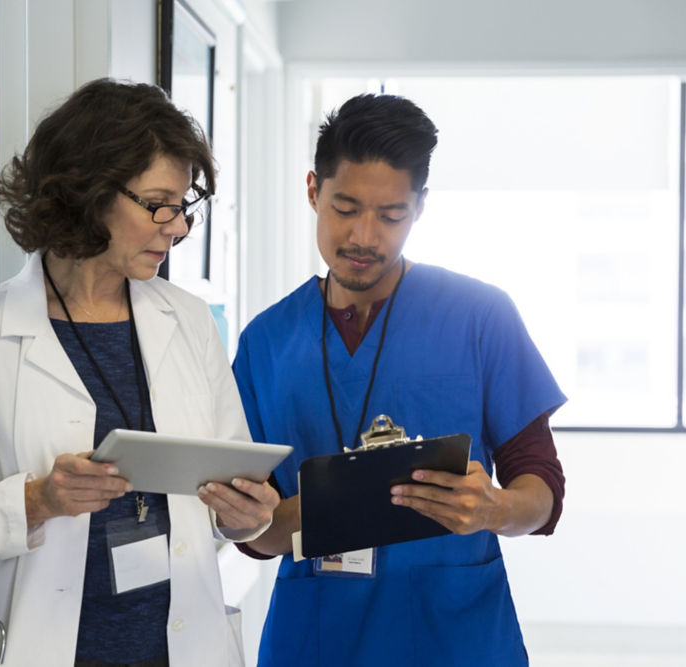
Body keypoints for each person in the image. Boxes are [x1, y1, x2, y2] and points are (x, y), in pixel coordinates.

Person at [0, 78, 278, 667]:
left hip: (180, 649)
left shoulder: (189, 321)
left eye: (184, 207)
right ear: (90, 191)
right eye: (158, 204)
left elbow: (224, 486)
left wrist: (243, 515)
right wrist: (38, 500)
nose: (176, 227)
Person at [227, 93, 567, 666]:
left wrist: (495, 510)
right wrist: (285, 515)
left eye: (391, 216)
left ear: (420, 208)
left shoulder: (480, 315)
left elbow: (543, 489)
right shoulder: (266, 341)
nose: (365, 237)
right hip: (317, 635)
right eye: (345, 207)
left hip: (454, 633)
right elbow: (254, 536)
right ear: (313, 190)